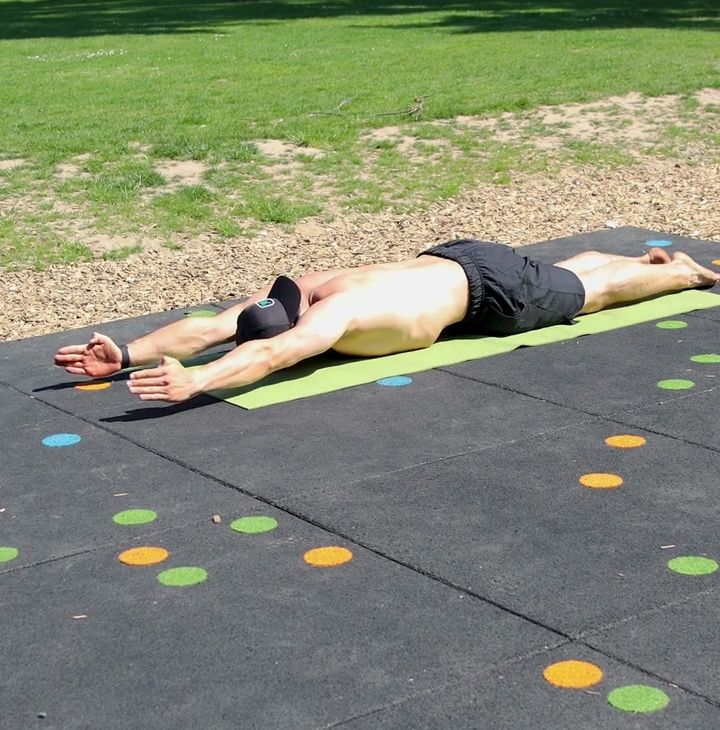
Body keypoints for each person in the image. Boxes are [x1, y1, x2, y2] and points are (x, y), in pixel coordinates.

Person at [54, 239, 719, 404]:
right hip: (453, 259)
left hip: (486, 292)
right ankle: (640, 256)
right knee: (565, 275)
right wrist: (129, 352)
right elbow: (210, 328)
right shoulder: (301, 290)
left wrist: (197, 386)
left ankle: (681, 271)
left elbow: (265, 357)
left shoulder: (326, 321)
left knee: (588, 294)